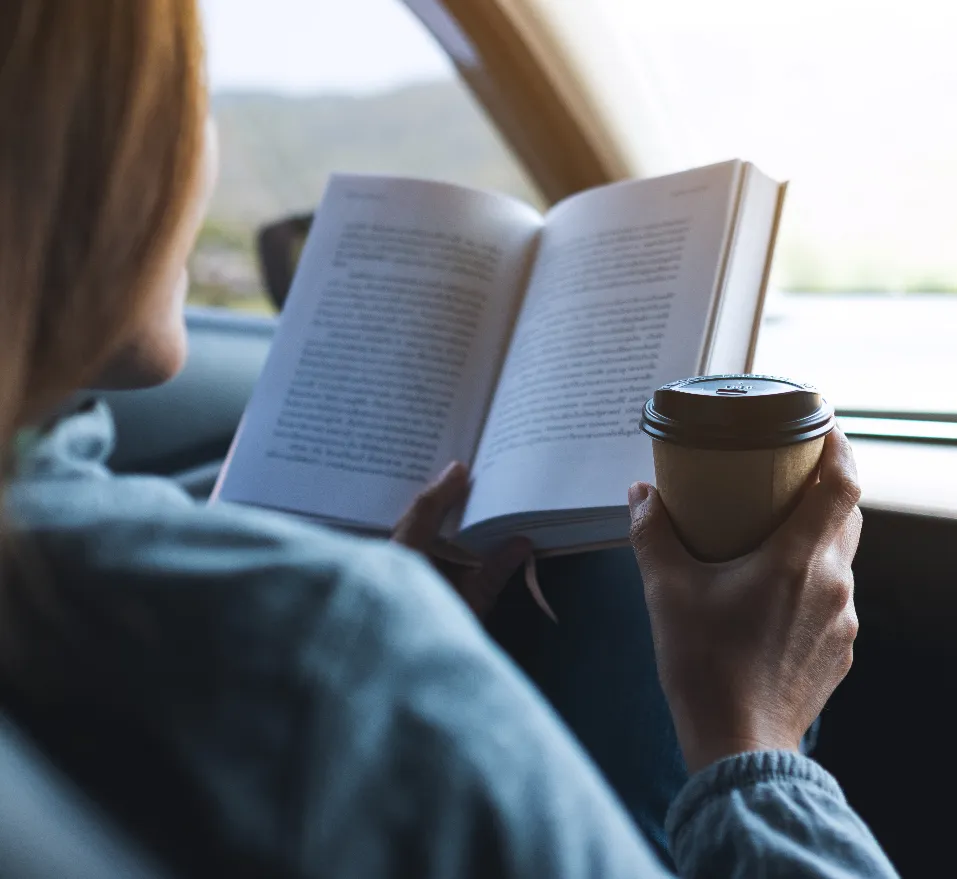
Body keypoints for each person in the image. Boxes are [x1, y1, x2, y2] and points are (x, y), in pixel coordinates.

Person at [0, 2, 898, 877]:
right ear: (79, 147)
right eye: (188, 98)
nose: (202, 153)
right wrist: (755, 737)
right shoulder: (329, 649)